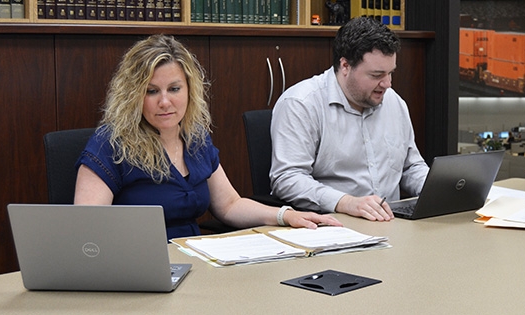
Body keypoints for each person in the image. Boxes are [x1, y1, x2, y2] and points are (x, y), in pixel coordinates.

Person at [74, 34, 342, 240]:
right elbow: (88, 229)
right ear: (133, 96)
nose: (165, 101)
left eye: (174, 88)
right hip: (139, 267)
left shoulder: (194, 139)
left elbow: (229, 205)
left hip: (196, 264)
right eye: (151, 91)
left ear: (190, 90)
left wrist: (285, 215)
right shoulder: (110, 144)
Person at [270, 17, 430, 221]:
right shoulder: (301, 104)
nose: (387, 84)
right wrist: (346, 202)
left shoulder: (394, 102)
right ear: (345, 66)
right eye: (376, 75)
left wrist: (440, 191)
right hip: (331, 224)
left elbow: (410, 166)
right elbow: (287, 179)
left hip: (393, 223)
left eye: (390, 73)